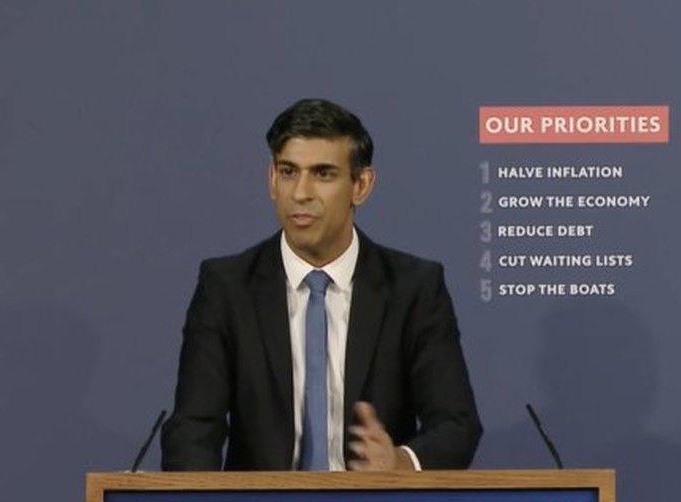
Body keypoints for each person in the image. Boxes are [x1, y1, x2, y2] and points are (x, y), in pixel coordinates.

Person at [161, 98, 481, 471]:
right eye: (288, 172)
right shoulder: (227, 288)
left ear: (361, 185)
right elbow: (193, 430)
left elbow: (456, 424)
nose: (300, 193)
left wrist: (401, 463)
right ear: (271, 180)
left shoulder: (413, 288)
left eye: (323, 174)